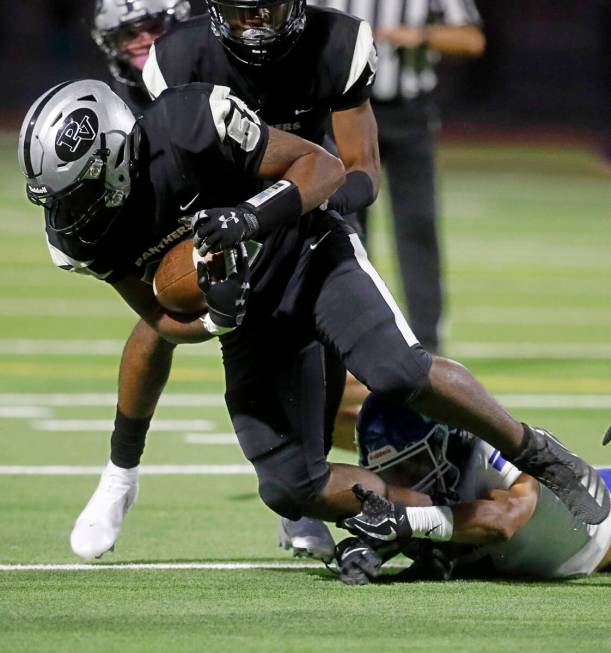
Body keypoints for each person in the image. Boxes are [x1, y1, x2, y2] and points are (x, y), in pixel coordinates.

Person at [19, 79, 609, 556]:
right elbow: (157, 318)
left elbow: (322, 167)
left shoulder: (190, 123)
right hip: (251, 313)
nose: (69, 211)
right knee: (289, 485)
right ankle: (427, 527)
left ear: (118, 157)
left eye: (78, 191)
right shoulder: (79, 239)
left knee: (398, 372)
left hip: (306, 251)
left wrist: (249, 218)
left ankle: (543, 456)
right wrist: (215, 322)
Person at [75, 0, 381, 562]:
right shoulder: (167, 70)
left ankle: (310, 500)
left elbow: (356, 167)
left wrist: (301, 207)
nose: (141, 42)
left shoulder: (291, 43)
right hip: (201, 207)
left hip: (295, 201)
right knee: (160, 315)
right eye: (126, 35)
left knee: (326, 352)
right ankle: (121, 471)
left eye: (149, 28)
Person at [311, 0, 485, 353]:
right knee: (346, 229)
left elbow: (471, 39)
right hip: (341, 114)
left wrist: (420, 35)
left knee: (418, 226)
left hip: (408, 115)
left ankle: (428, 344)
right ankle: (351, 334)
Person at [335, 395, 611, 584]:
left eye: (413, 465)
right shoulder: (434, 480)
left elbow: (504, 519)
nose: (403, 485)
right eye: (389, 472)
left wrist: (406, 521)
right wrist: (360, 547)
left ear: (448, 442)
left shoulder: (493, 454)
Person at [92, 0, 192, 112]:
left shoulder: (210, 64)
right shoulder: (113, 107)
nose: (144, 41)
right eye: (130, 34)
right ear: (113, 42)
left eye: (155, 27)